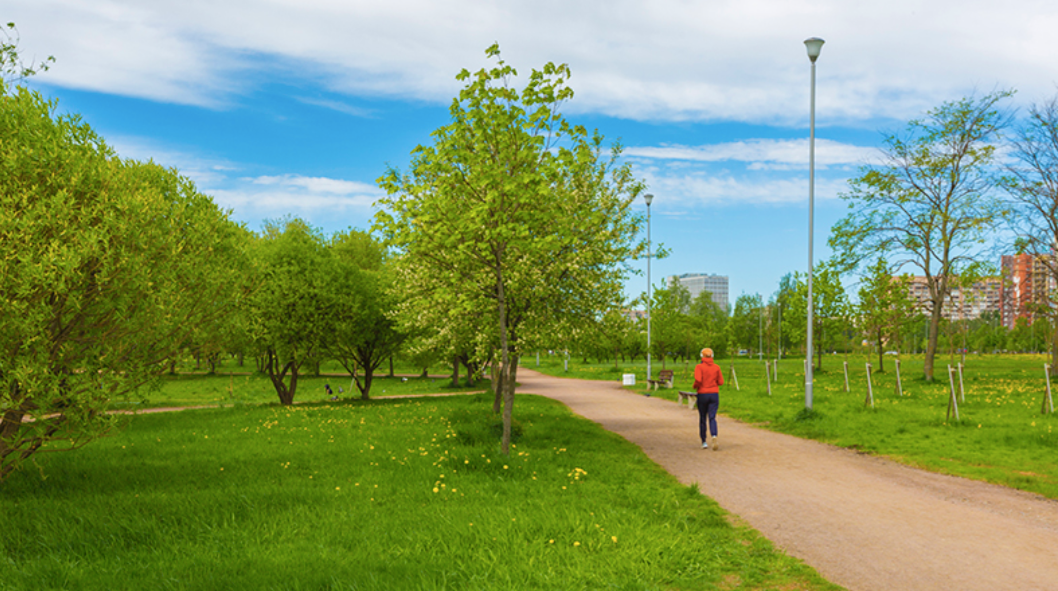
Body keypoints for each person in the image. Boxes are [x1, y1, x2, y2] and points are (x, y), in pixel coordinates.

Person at [692, 347, 724, 451]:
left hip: (702, 394)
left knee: (702, 418)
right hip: (714, 394)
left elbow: (698, 379)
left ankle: (704, 442)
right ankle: (714, 435)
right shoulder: (716, 367)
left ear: (701, 356)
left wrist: (695, 386)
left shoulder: (699, 367)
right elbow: (721, 382)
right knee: (712, 417)